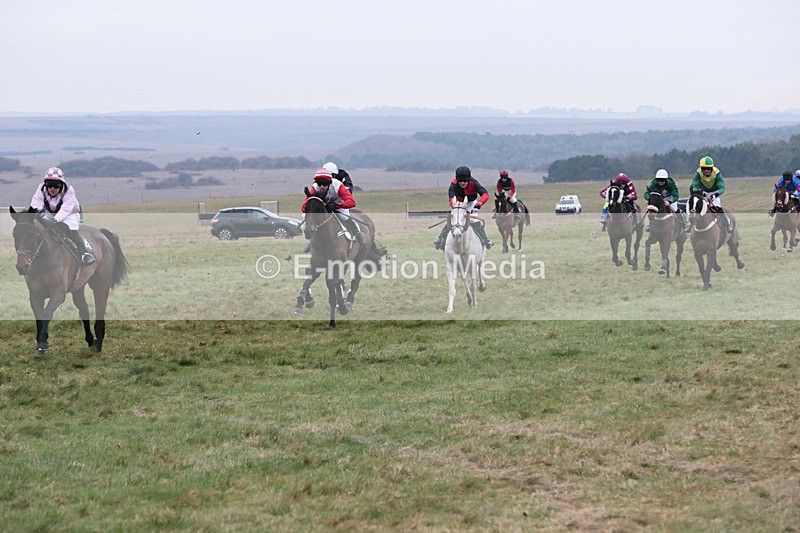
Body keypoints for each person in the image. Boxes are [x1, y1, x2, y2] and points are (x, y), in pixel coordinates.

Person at [29, 167, 95, 265]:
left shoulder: (69, 190)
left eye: (56, 185)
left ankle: (85, 252)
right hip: (50, 211)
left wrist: (55, 220)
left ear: (61, 184)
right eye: (49, 184)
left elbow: (66, 209)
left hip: (70, 212)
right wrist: (41, 217)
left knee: (71, 230)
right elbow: (36, 204)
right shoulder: (41, 188)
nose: (52, 188)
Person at [433, 166, 493, 250]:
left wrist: (479, 204)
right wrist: (455, 207)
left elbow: (485, 194)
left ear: (468, 179)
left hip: (471, 203)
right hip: (458, 203)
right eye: (460, 181)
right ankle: (441, 238)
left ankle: (486, 240)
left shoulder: (474, 182)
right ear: (457, 180)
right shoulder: (454, 184)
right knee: (454, 220)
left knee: (474, 220)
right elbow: (451, 198)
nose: (462, 183)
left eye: (465, 180)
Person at [302, 168, 366, 246]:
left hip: (339, 205)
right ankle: (311, 240)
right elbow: (304, 206)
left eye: (324, 184)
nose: (321, 186)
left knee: (344, 217)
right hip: (324, 206)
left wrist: (337, 205)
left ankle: (357, 232)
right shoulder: (315, 187)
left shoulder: (338, 185)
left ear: (329, 183)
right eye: (319, 184)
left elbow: (352, 202)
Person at [690, 156, 731, 231]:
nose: (706, 171)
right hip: (703, 192)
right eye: (704, 169)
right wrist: (700, 193)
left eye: (708, 169)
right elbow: (694, 186)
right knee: (696, 208)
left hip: (715, 192)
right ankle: (690, 225)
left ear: (711, 168)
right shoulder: (697, 174)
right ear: (701, 169)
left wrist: (715, 195)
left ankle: (727, 224)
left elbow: (722, 188)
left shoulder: (717, 173)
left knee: (717, 208)